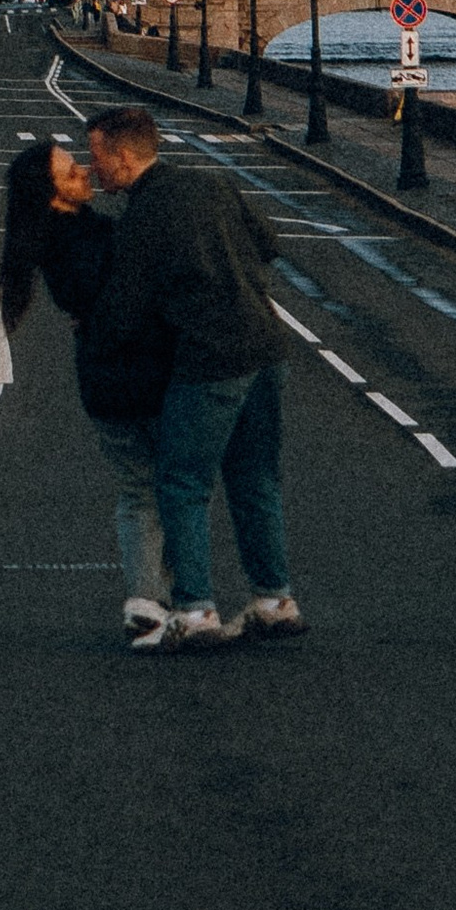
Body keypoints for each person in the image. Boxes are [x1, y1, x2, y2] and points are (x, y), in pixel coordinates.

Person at [83, 106, 302, 647]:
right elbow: (269, 244)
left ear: (125, 156)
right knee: (255, 479)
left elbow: (127, 307)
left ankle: (196, 610)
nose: (93, 170)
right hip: (265, 346)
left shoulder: (143, 215)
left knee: (181, 482)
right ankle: (274, 600)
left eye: (97, 157)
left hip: (208, 358)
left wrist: (95, 343)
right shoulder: (212, 184)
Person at [0, 140, 174, 647]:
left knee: (142, 487)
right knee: (163, 487)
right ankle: (158, 599)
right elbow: (125, 295)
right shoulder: (81, 239)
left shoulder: (53, 241)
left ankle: (156, 599)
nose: (83, 172)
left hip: (100, 379)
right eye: (70, 170)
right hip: (135, 372)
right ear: (51, 192)